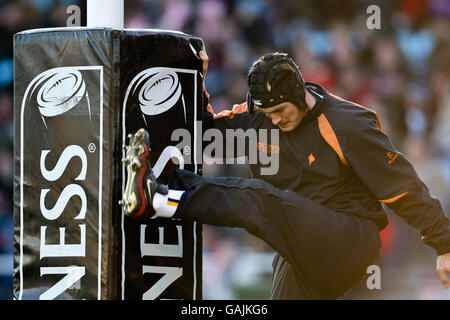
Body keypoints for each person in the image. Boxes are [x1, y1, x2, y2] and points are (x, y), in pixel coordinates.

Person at [120, 50, 450, 299]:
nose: (275, 120)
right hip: (297, 245)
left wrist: (444, 245)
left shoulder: (347, 123)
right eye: (267, 113)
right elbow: (203, 136)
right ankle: (151, 186)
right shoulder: (261, 120)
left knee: (257, 198)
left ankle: (160, 199)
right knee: (267, 206)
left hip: (348, 239)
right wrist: (195, 79)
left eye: (280, 111)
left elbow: (403, 186)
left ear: (297, 95)